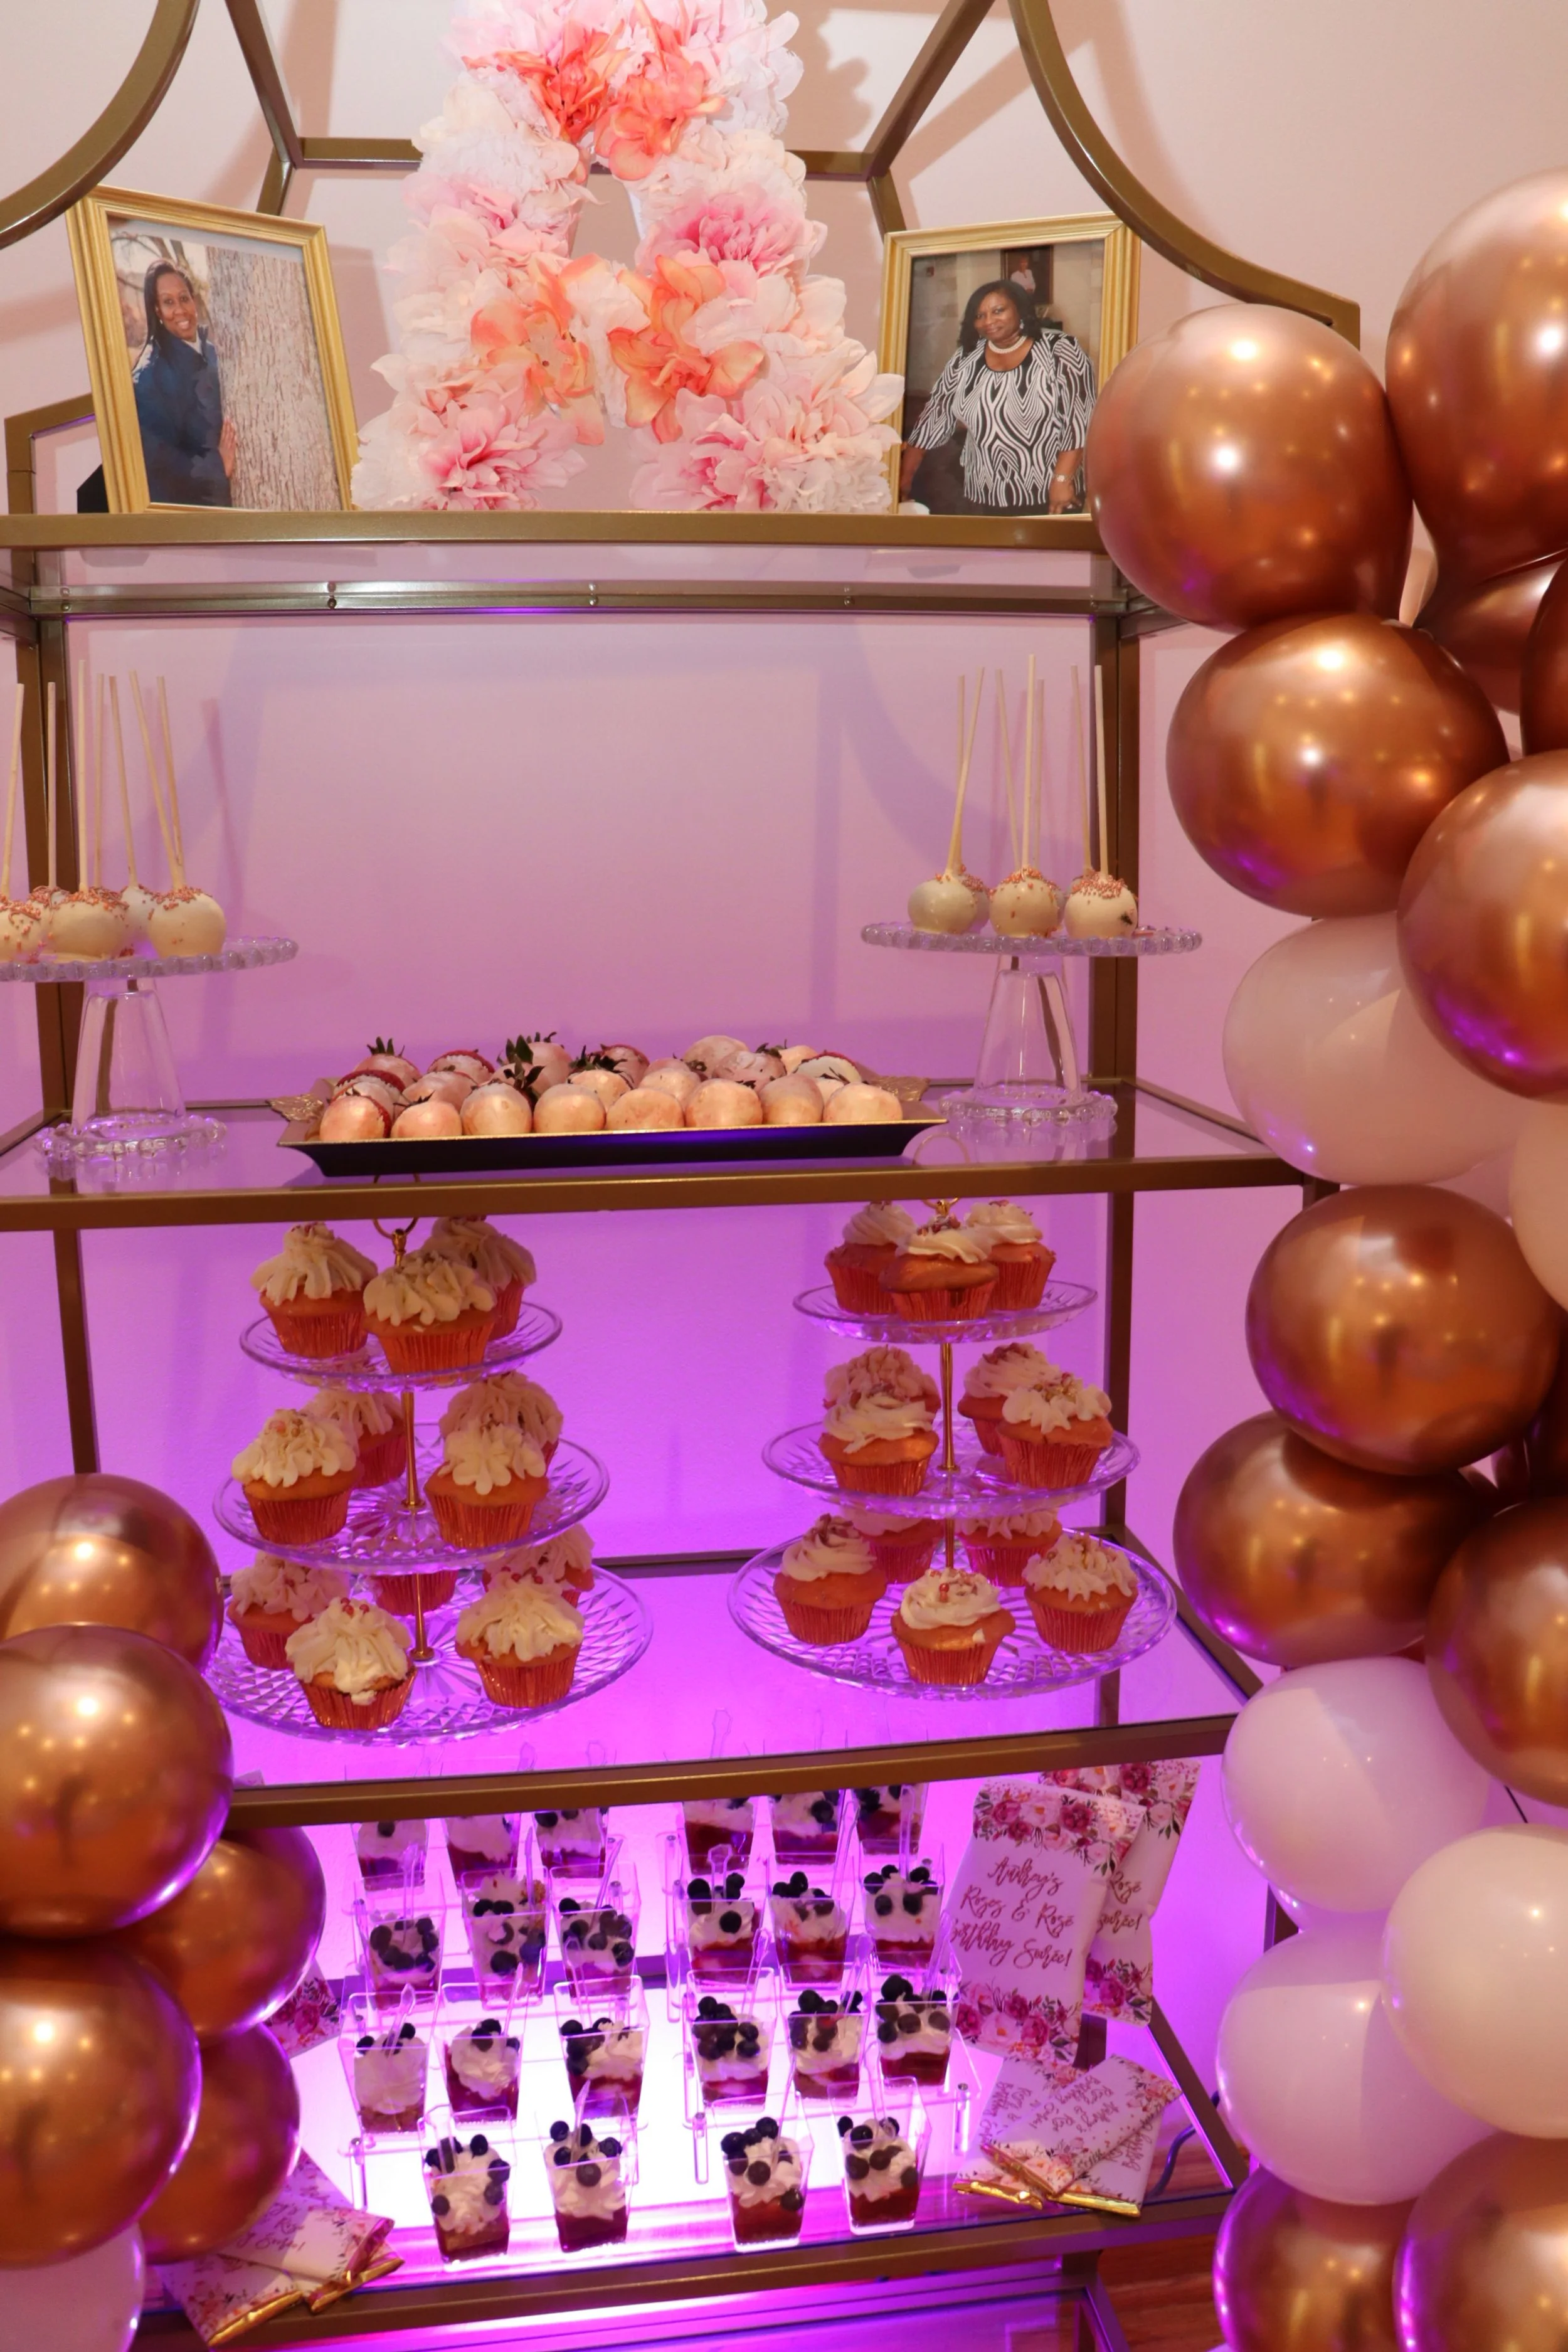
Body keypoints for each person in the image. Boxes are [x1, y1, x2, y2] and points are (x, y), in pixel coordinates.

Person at [900, 279, 1094, 516]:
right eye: (979, 316)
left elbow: (1079, 419)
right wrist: (904, 476)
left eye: (998, 311)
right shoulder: (966, 358)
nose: (988, 321)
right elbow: (935, 415)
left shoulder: (1060, 348)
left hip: (1050, 488)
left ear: (1020, 310)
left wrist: (1063, 479)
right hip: (988, 490)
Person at [130, 260, 236, 506]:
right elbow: (157, 464)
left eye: (184, 298)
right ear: (157, 311)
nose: (180, 310)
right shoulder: (149, 378)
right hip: (205, 515)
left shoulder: (214, 353)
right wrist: (216, 468)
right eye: (168, 302)